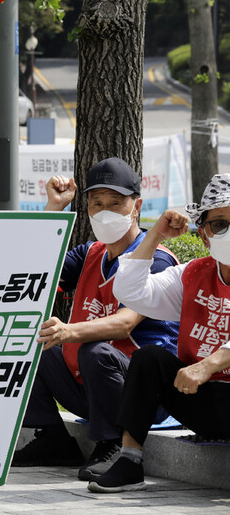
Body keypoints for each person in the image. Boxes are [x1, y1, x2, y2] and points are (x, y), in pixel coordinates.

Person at [11, 159, 179, 481]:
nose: (105, 212)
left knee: (94, 350)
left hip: (145, 397)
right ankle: (53, 437)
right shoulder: (90, 253)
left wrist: (68, 331)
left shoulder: (156, 259)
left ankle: (114, 443)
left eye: (116, 204)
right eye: (97, 203)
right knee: (33, 338)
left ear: (136, 206)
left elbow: (126, 322)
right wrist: (54, 208)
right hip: (92, 388)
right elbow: (34, 269)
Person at [87, 174, 230, 493]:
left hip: (212, 382)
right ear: (204, 235)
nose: (228, 233)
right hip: (200, 398)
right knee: (149, 358)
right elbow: (131, 291)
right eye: (219, 225)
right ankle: (129, 462)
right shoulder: (193, 274)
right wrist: (155, 234)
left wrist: (208, 364)